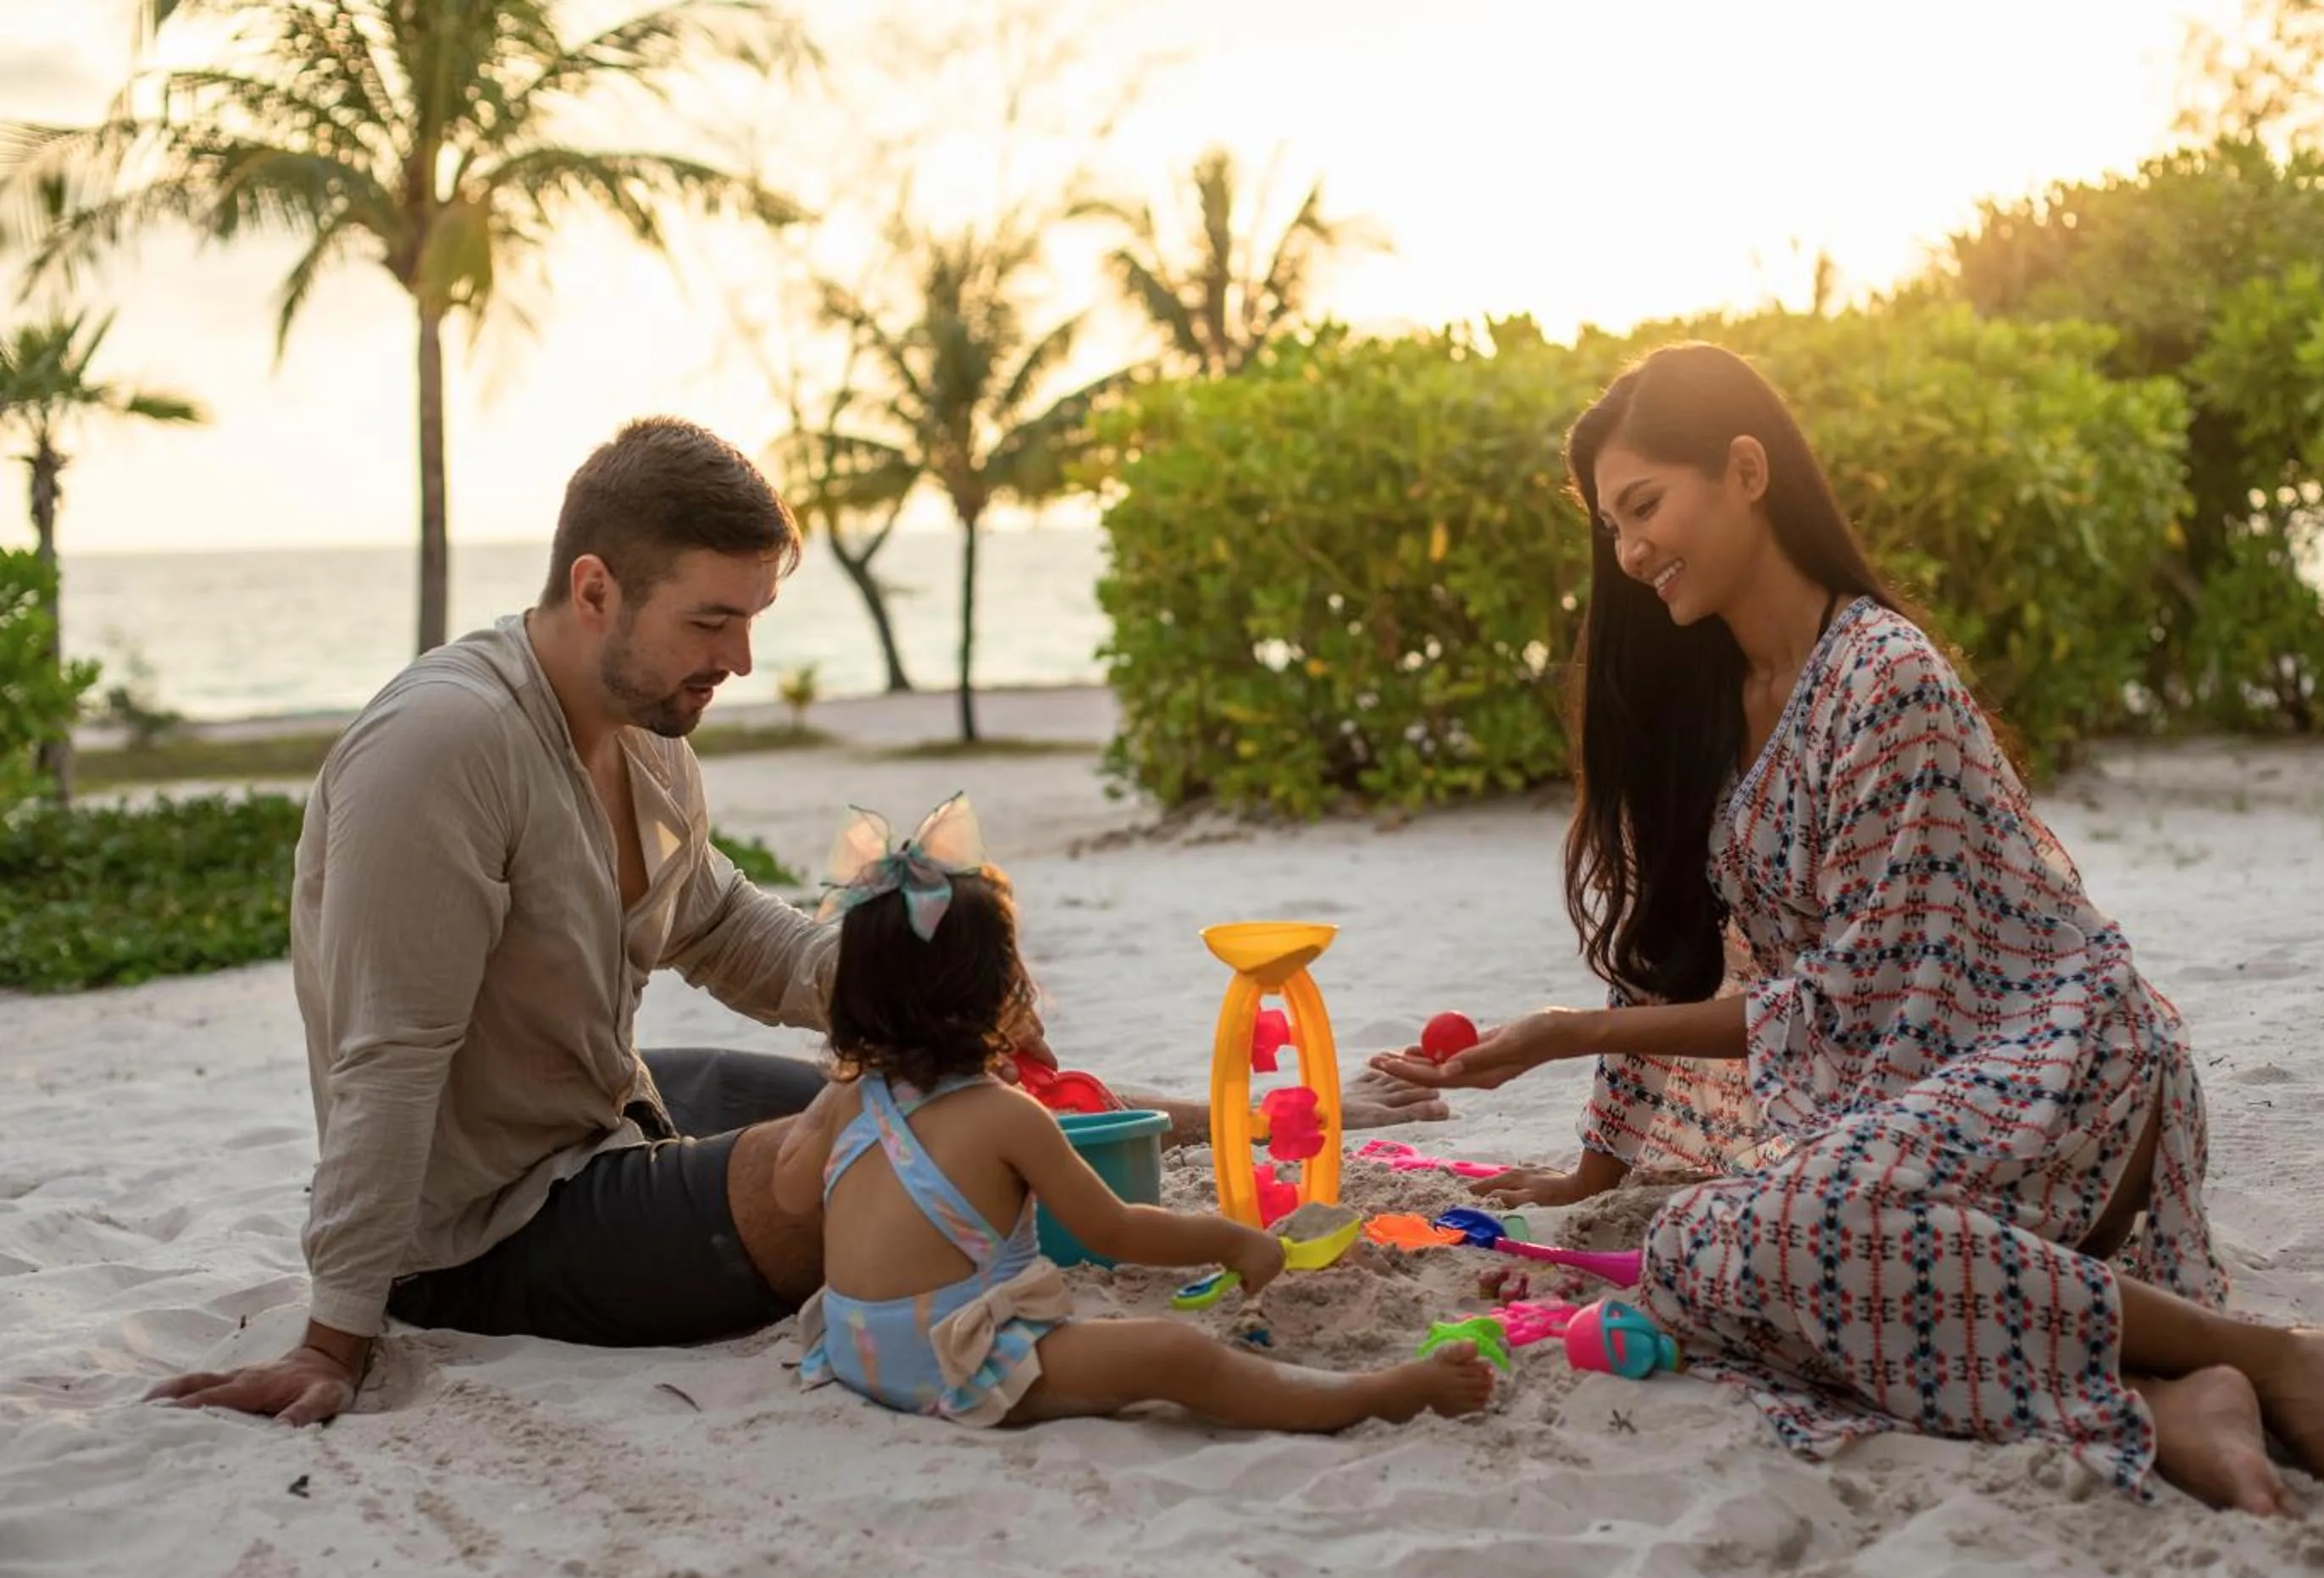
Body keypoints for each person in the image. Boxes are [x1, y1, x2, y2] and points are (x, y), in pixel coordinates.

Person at [147, 417, 1441, 1429]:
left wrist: (930, 978)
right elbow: (390, 1060)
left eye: (753, 620)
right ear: (594, 590)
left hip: (611, 1107)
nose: (742, 663)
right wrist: (334, 1338)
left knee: (926, 1079)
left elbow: (730, 934)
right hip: (482, 1228)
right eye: (712, 622)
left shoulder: (645, 744)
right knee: (847, 1134)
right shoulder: (442, 749)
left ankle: (1181, 1112)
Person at [1373, 344, 2324, 1515]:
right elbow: (1732, 963)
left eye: (1645, 506)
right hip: (1920, 1117)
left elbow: (1862, 1004)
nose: (1627, 552)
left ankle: (2275, 1354)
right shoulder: (1712, 703)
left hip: (2062, 1081)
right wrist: (1593, 1167)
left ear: (1746, 468)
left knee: (1801, 1227)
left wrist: (1562, 1033)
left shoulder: (1886, 680)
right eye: (1610, 526)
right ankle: (2160, 1397)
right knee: (1687, 1251)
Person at [777, 795, 1495, 1431]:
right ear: (1001, 993)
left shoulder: (847, 1100)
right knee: (1175, 1353)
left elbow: (788, 1191)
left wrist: (841, 1137)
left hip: (855, 1346)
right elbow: (1114, 1229)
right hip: (955, 1358)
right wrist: (1230, 1239)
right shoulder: (1006, 1115)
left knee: (1127, 1343)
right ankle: (1372, 1395)